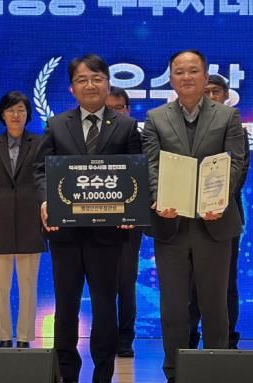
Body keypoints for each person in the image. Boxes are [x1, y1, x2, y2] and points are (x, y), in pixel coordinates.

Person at [33, 55, 141, 383]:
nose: (90, 85)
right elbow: (40, 170)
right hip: (65, 233)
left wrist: (131, 208)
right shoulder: (56, 125)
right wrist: (45, 200)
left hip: (108, 234)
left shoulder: (125, 126)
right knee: (65, 307)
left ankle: (103, 374)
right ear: (72, 88)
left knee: (105, 306)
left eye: (96, 78)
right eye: (82, 80)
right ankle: (67, 374)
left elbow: (136, 171)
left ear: (107, 83)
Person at [142, 50, 245, 382]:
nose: (186, 77)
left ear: (205, 76)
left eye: (193, 71)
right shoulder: (156, 118)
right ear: (171, 78)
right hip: (170, 223)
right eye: (179, 72)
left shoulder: (228, 117)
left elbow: (236, 162)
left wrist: (221, 199)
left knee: (215, 306)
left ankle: (216, 371)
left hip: (214, 222)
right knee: (173, 307)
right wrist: (158, 197)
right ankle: (174, 372)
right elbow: (151, 165)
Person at [0, 91, 46, 349]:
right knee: (1, 286)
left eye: (21, 110)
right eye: (11, 110)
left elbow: (45, 180)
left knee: (28, 285)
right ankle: (3, 337)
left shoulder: (39, 142)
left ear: (28, 114)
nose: (16, 115)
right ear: (2, 115)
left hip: (31, 220)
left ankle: (25, 338)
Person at [188, 74, 250, 349]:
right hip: (187, 214)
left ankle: (227, 340)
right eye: (207, 91)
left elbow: (239, 170)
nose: (211, 96)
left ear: (226, 97)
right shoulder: (187, 127)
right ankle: (189, 338)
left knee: (225, 282)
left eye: (216, 91)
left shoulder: (235, 127)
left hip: (224, 215)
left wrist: (215, 202)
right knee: (190, 284)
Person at [106, 87, 143, 358]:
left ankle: (125, 339)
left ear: (128, 110)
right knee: (101, 282)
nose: (115, 113)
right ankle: (104, 335)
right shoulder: (93, 139)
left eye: (119, 108)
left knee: (126, 282)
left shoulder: (138, 137)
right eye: (110, 109)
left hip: (129, 219)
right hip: (96, 217)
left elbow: (143, 177)